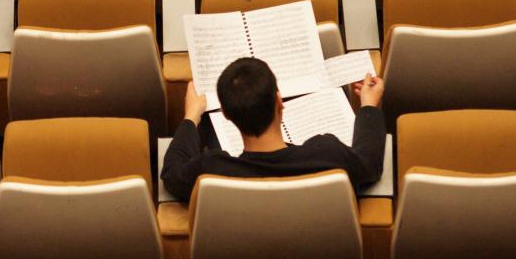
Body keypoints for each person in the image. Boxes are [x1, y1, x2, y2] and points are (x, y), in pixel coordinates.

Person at [161, 57, 386, 202]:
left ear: (227, 115)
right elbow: (369, 164)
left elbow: (171, 174)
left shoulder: (212, 172)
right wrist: (368, 105)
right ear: (279, 102)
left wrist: (191, 115)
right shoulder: (329, 155)